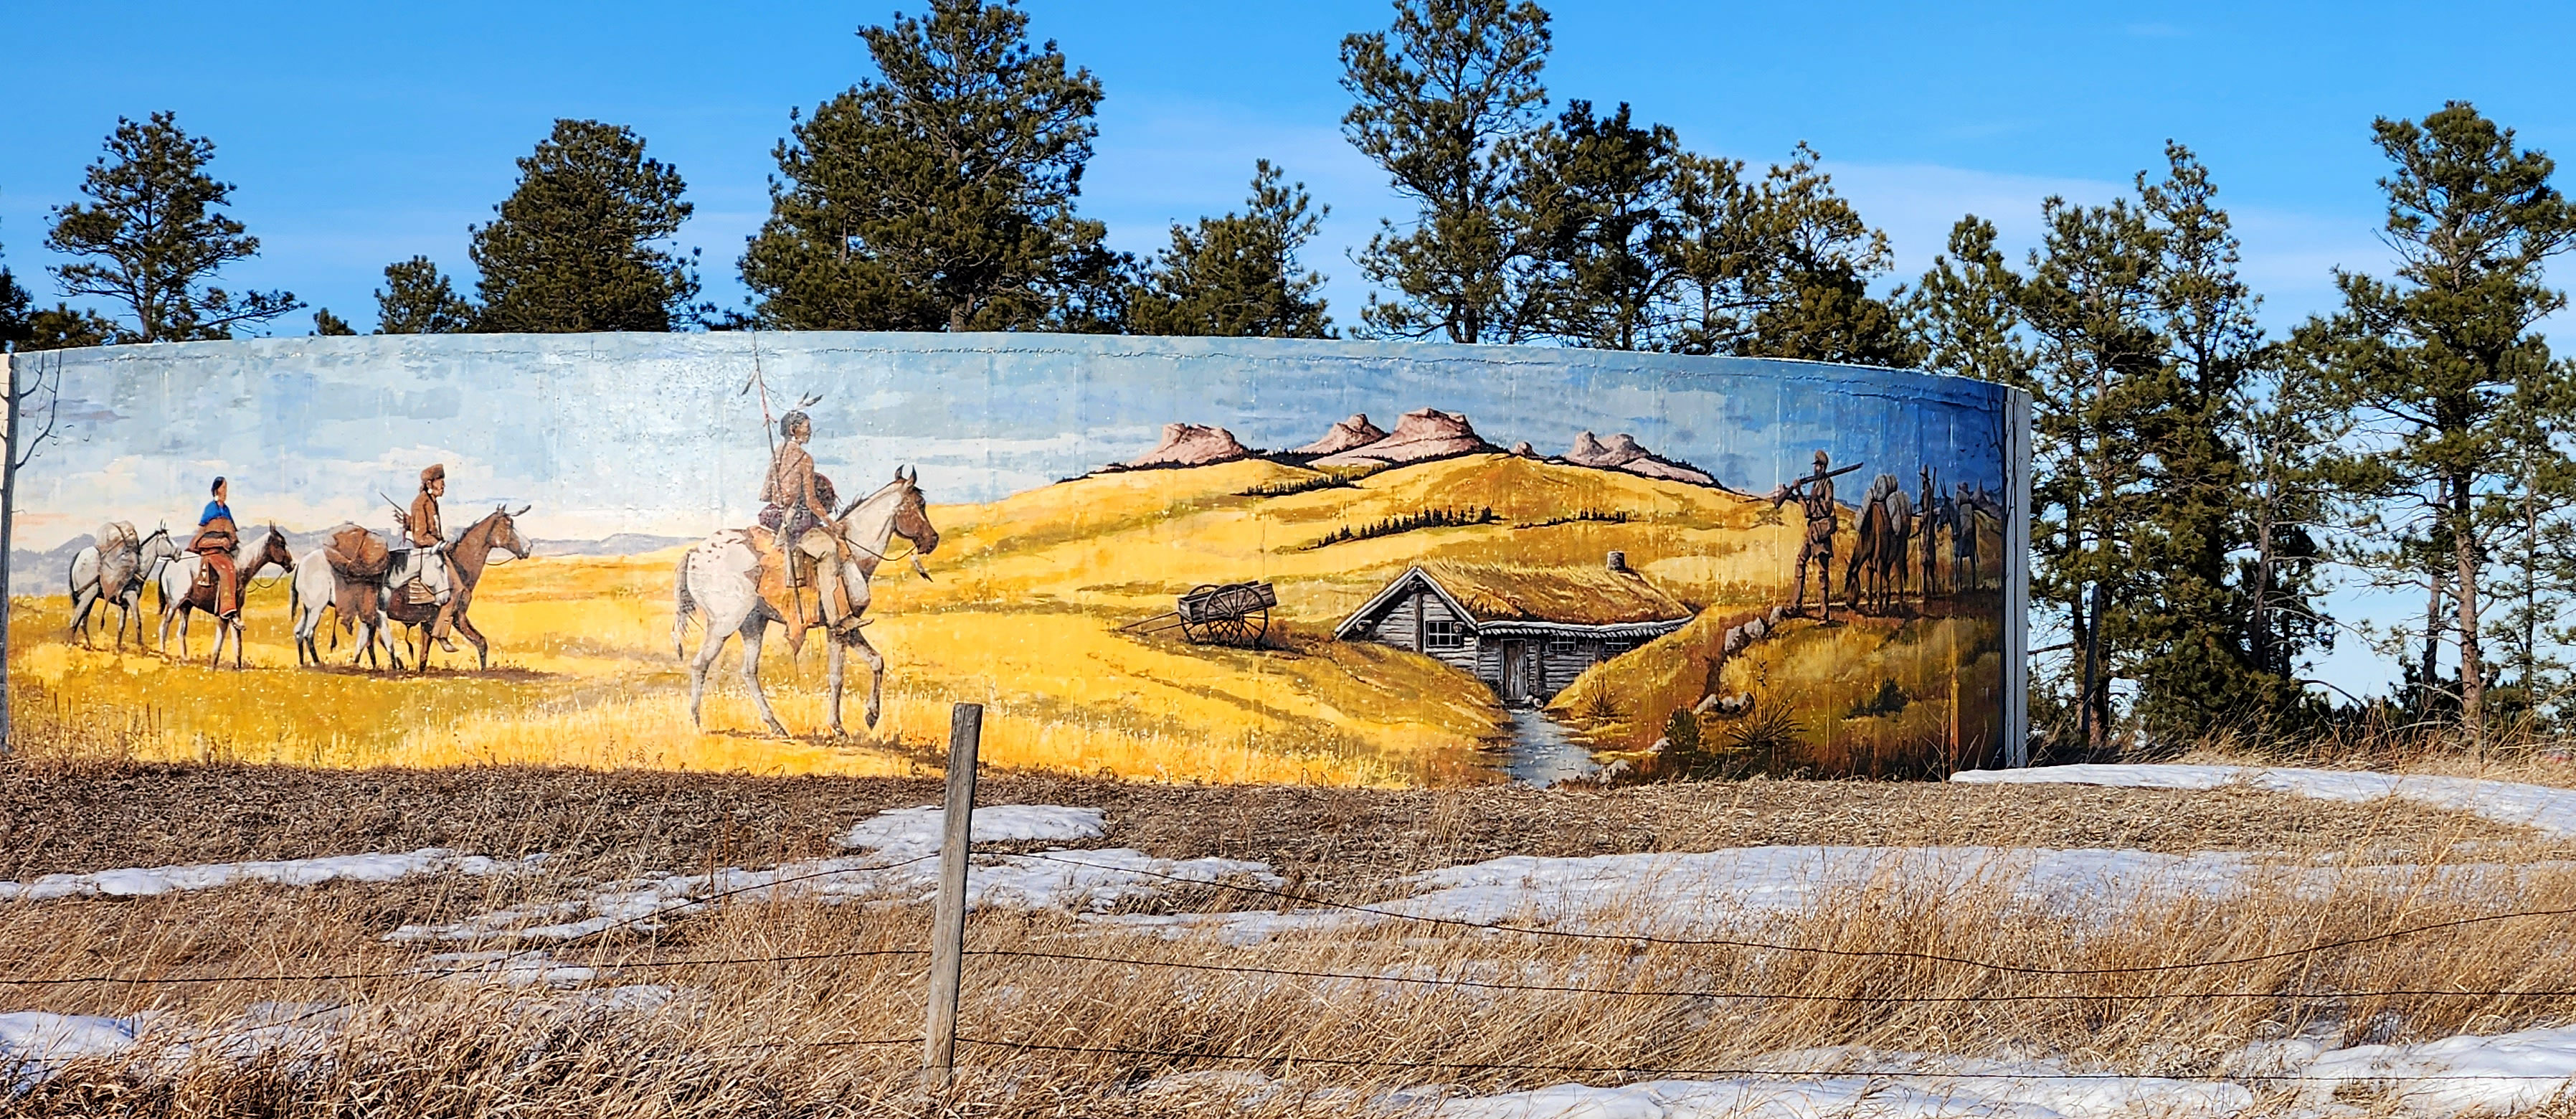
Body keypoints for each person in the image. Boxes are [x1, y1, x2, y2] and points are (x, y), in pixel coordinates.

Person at [759, 410, 856, 637]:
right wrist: (832, 524)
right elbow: (811, 501)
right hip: (795, 523)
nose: (809, 431)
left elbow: (764, 494)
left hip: (773, 516)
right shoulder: (804, 459)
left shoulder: (777, 453)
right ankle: (837, 618)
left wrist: (780, 494)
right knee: (829, 550)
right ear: (794, 430)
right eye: (806, 426)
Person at [402, 463, 460, 652]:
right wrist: (441, 544)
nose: (443, 486)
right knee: (451, 592)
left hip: (434, 551)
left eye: (443, 482)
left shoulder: (432, 502)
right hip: (425, 554)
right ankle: (441, 634)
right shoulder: (420, 503)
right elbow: (420, 536)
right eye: (440, 483)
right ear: (430, 483)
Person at [1778, 450, 1840, 618]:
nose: (1817, 468)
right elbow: (1808, 513)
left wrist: (1813, 502)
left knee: (1822, 573)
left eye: (1819, 466)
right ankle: (1795, 605)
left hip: (1821, 533)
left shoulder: (1827, 484)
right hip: (1811, 531)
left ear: (1824, 467)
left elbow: (1826, 508)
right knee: (1800, 562)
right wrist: (1798, 493)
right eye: (1816, 465)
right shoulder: (1815, 485)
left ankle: (1824, 613)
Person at [190, 476, 241, 621]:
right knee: (227, 568)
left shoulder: (226, 509)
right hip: (210, 548)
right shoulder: (210, 508)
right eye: (223, 488)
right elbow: (203, 532)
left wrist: (231, 542)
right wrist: (219, 542)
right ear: (217, 490)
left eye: (226, 489)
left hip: (224, 549)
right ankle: (227, 609)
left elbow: (232, 532)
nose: (225, 492)